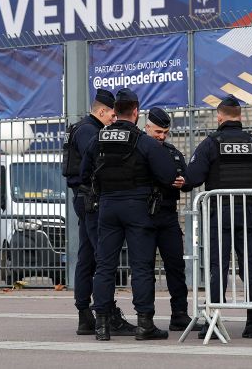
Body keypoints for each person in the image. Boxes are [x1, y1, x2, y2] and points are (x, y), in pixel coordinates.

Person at [81, 88, 181, 341]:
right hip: (137, 208)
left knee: (104, 266)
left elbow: (84, 174)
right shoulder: (143, 141)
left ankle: (102, 325)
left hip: (107, 207)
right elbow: (169, 175)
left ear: (115, 111)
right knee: (141, 267)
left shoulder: (98, 138)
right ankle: (145, 323)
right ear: (136, 112)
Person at [182, 94, 252, 339]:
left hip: (219, 215)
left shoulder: (211, 144)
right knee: (250, 268)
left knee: (217, 267)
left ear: (219, 116)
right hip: (248, 213)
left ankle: (213, 322)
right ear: (240, 117)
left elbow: (192, 178)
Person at [61, 88, 135, 336]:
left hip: (85, 199)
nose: (114, 120)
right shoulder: (89, 131)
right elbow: (94, 164)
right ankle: (108, 314)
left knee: (88, 257)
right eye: (112, 115)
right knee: (103, 258)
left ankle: (85, 315)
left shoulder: (84, 128)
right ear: (101, 111)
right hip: (91, 199)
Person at [143, 106, 194, 331]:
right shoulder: (139, 150)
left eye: (165, 133)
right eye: (157, 133)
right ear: (147, 128)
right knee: (145, 269)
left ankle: (180, 313)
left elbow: (187, 177)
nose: (162, 137)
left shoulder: (172, 151)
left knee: (175, 265)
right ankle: (146, 316)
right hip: (144, 216)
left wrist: (184, 182)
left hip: (168, 215)